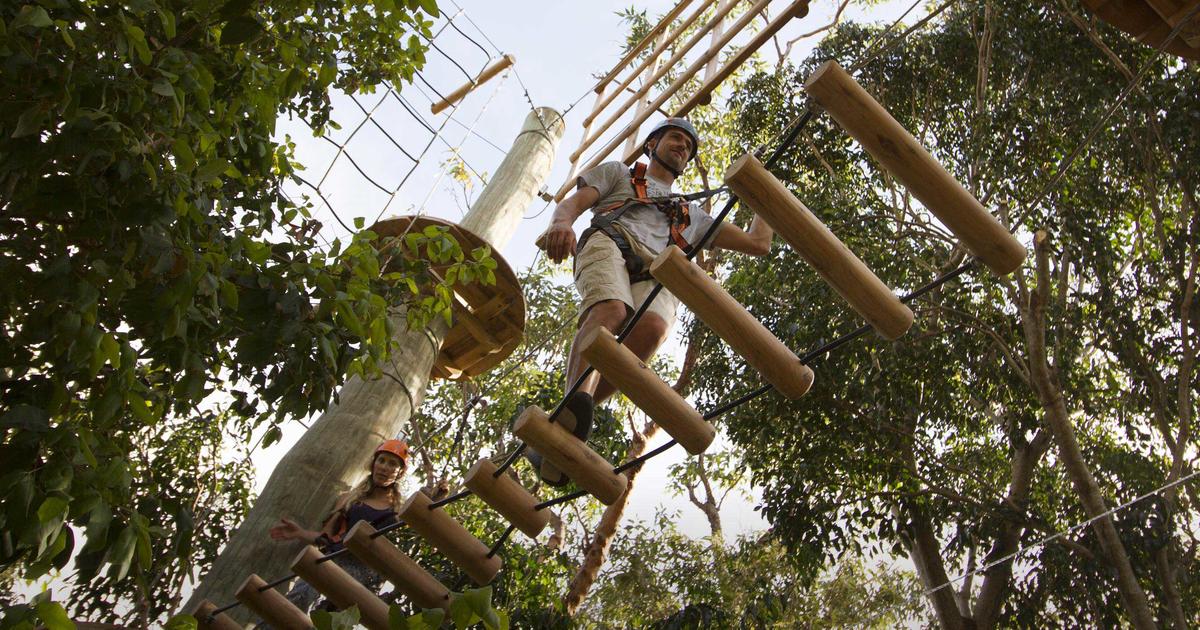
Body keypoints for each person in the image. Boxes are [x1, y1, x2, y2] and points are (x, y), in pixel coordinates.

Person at [531, 118, 775, 484]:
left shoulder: (692, 215)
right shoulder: (619, 174)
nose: (682, 147)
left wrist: (764, 194)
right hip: (612, 240)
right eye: (676, 138)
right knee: (612, 310)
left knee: (653, 328)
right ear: (651, 145)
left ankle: (571, 416)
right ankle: (574, 399)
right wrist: (561, 223)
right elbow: (574, 203)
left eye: (689, 147)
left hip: (656, 271)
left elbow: (758, 244)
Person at [258, 439, 408, 625]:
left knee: (331, 618)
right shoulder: (350, 499)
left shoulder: (399, 510)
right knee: (297, 598)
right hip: (334, 558)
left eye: (392, 464)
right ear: (373, 463)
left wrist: (437, 495)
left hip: (364, 571)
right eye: (382, 460)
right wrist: (300, 533)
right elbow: (326, 538)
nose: (385, 467)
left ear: (400, 472)